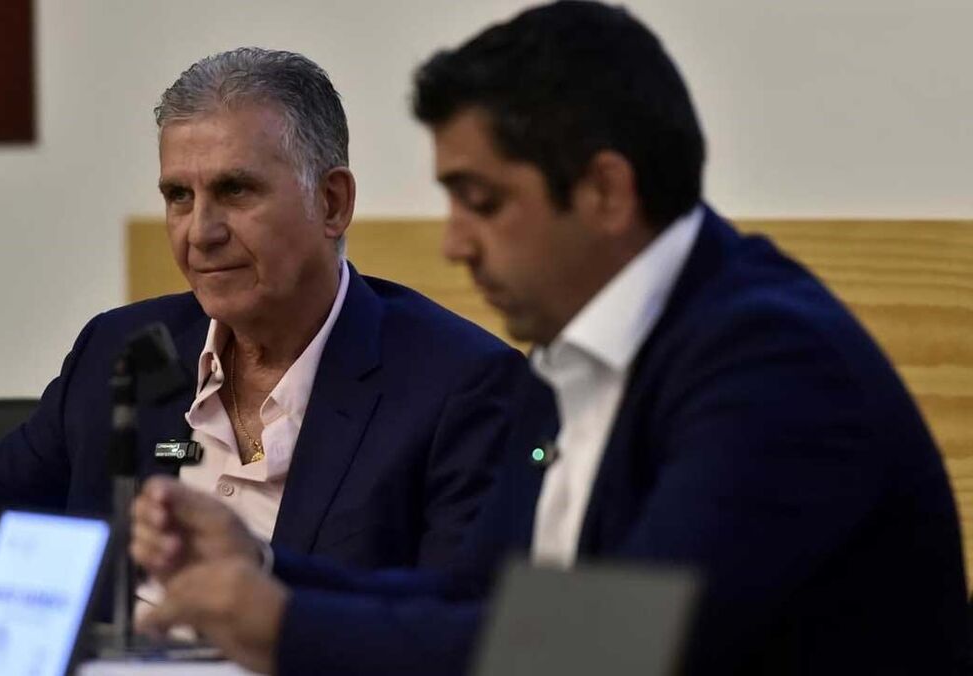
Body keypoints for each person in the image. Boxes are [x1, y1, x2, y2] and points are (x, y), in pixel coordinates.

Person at [129, 3, 969, 674]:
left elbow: (622, 645)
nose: (454, 243)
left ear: (605, 192)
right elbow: (478, 598)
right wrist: (268, 571)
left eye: (482, 202)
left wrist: (286, 628)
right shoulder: (567, 360)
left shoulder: (773, 366)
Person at [0, 48, 527, 605]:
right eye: (178, 196)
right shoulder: (122, 353)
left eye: (235, 191)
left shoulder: (458, 387)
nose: (200, 232)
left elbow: (447, 625)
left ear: (331, 203)